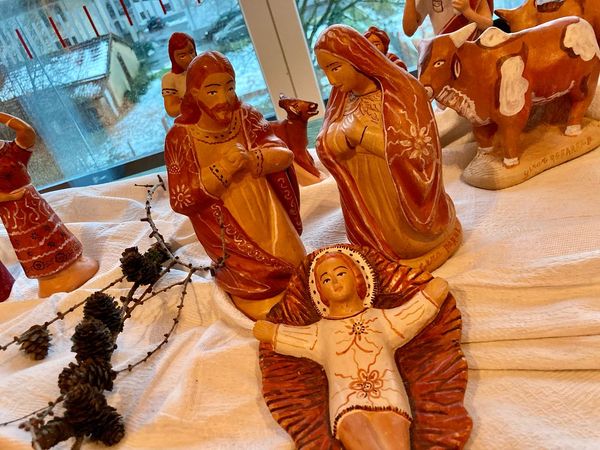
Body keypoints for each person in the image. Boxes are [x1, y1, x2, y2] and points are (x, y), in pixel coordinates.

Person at [254, 246, 449, 450]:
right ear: (320, 291)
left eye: (340, 273)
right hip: (346, 402)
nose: (335, 282)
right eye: (326, 280)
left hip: (389, 395)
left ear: (357, 276)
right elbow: (297, 339)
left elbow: (409, 317)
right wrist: (272, 332)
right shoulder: (322, 332)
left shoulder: (380, 319)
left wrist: (430, 297)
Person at [163, 51, 305, 320]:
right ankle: (259, 291)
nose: (225, 98)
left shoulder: (246, 116)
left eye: (229, 87)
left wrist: (253, 159)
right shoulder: (180, 137)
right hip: (228, 227)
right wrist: (222, 170)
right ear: (194, 93)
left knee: (295, 262)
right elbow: (181, 199)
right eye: (212, 91)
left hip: (269, 212)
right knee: (254, 276)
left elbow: (284, 154)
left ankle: (293, 285)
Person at [315, 24, 461, 271]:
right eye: (325, 70)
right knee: (375, 246)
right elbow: (324, 142)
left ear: (357, 59)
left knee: (405, 245)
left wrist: (361, 133)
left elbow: (420, 150)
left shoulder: (403, 92)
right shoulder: (341, 97)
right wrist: (336, 140)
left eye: (335, 67)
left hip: (402, 204)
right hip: (366, 204)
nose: (330, 80)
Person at [0, 112, 98, 297]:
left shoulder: (9, 151)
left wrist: (2, 116)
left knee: (54, 232)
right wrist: (7, 197)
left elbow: (26, 132)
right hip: (13, 215)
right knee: (32, 244)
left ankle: (74, 265)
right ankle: (52, 279)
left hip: (34, 204)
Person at [403, 0, 493, 37]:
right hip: (446, 53)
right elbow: (409, 30)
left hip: (474, 50)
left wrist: (467, 11)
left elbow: (488, 25)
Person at [162, 32, 197, 117]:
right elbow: (171, 110)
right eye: (182, 56)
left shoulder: (204, 69)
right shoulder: (169, 79)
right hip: (191, 119)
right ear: (173, 57)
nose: (190, 58)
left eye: (191, 52)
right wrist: (188, 104)